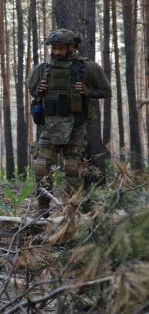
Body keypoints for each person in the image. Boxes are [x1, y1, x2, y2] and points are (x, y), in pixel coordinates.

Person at [27, 28, 110, 215]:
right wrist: (39, 90)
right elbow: (32, 91)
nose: (57, 52)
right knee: (41, 167)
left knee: (72, 169)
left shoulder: (87, 68)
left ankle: (73, 211)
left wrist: (87, 92)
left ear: (72, 47)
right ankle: (42, 210)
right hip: (49, 127)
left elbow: (105, 91)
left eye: (61, 48)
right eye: (54, 48)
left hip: (76, 126)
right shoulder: (43, 69)